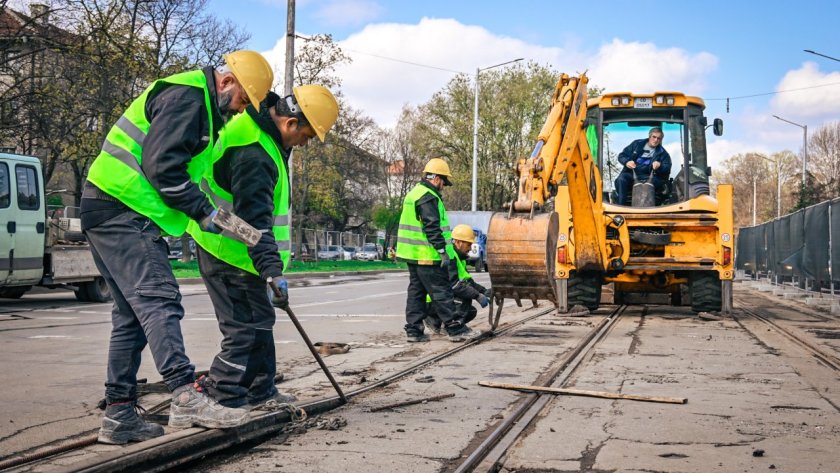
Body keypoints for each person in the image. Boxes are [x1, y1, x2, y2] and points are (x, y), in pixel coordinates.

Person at [81, 50, 273, 444]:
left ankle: (119, 415)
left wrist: (234, 227)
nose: (239, 112)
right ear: (226, 82)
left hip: (107, 206)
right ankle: (185, 395)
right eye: (240, 102)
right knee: (159, 301)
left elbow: (183, 177)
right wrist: (203, 212)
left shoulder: (200, 107)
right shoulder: (189, 97)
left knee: (131, 316)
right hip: (124, 208)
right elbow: (163, 169)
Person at [188, 86, 339, 410]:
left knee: (260, 321)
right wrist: (272, 272)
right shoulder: (254, 151)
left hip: (242, 252)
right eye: (307, 136)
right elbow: (256, 224)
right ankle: (222, 393)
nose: (306, 143)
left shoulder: (262, 132)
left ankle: (260, 390)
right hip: (226, 250)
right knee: (245, 328)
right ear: (290, 123)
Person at [396, 158, 482, 343]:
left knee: (416, 293)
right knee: (441, 291)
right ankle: (454, 328)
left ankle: (414, 330)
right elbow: (432, 228)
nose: (443, 186)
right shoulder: (428, 197)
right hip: (427, 255)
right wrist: (442, 251)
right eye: (443, 181)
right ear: (436, 178)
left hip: (412, 255)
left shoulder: (414, 194)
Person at [423, 224, 490, 335]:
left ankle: (436, 322)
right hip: (432, 301)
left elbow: (468, 282)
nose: (470, 248)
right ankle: (454, 327)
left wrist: (484, 291)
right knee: (465, 297)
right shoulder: (450, 256)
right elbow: (454, 286)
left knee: (471, 311)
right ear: (458, 242)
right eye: (469, 244)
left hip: (439, 300)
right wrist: (477, 295)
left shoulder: (460, 258)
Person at [614, 127, 672, 206]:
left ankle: (651, 208)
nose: (655, 140)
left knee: (657, 184)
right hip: (632, 174)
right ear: (649, 136)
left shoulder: (663, 153)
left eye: (658, 138)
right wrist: (627, 162)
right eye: (654, 137)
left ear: (661, 140)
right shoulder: (636, 144)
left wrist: (660, 165)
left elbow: (667, 167)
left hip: (651, 176)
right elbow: (622, 156)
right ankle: (621, 206)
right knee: (621, 179)